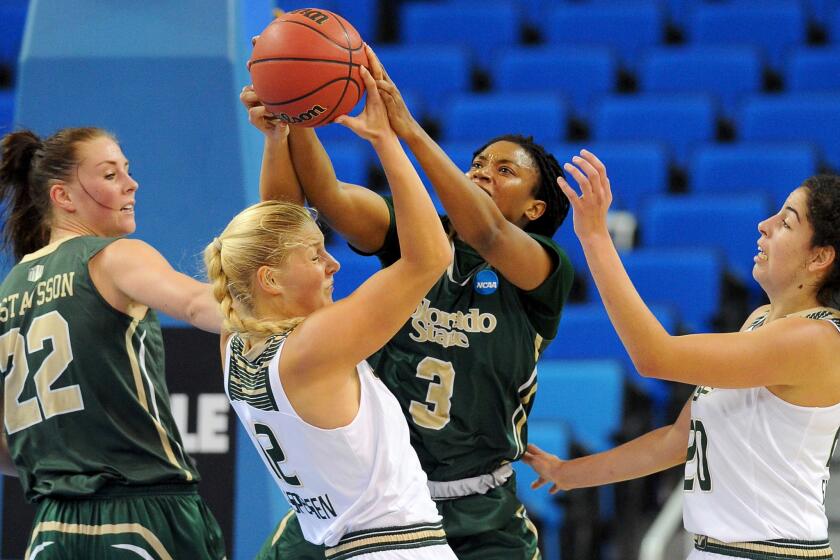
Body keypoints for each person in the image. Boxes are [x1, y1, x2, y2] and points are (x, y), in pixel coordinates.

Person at [245, 47, 575, 559]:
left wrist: (405, 131)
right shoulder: (418, 237)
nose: (483, 171)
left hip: (476, 506)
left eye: (505, 170)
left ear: (535, 207)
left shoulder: (544, 270)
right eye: (478, 163)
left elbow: (487, 233)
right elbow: (325, 197)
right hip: (371, 491)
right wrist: (294, 115)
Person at [524, 152, 840, 560]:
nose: (765, 225)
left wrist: (595, 237)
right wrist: (568, 474)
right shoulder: (761, 321)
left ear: (820, 257)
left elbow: (653, 357)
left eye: (786, 222)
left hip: (772, 552)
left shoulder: (816, 338)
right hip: (720, 550)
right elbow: (678, 440)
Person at [206, 58, 457, 559]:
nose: (333, 265)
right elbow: (432, 257)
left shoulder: (236, 344)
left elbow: (281, 228)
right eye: (316, 255)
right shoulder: (310, 350)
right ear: (271, 279)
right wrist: (386, 140)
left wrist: (280, 136)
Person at [0, 127, 227, 559]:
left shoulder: (8, 292)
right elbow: (200, 306)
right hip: (145, 514)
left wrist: (66, 462)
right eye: (110, 174)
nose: (131, 183)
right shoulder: (113, 256)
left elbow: (4, 444)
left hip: (52, 527)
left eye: (127, 170)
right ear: (63, 197)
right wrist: (294, 323)